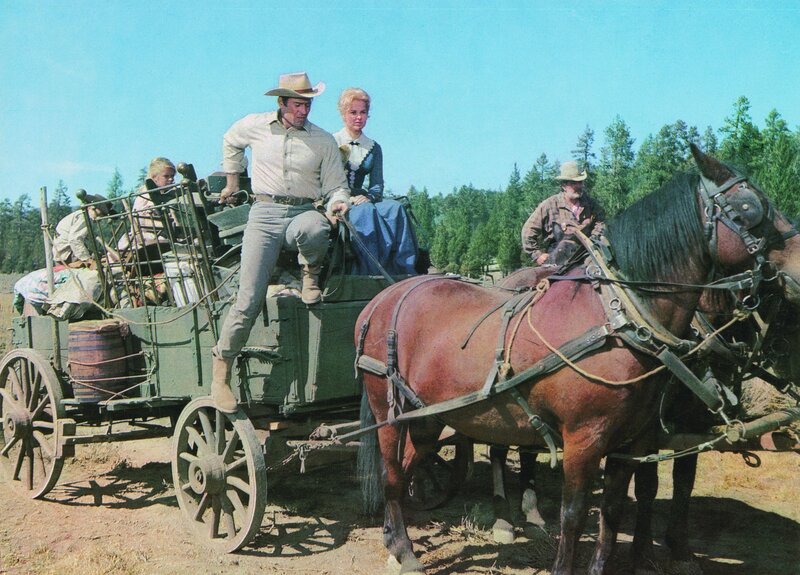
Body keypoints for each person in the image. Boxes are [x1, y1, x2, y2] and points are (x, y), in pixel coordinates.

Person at [211, 72, 350, 412]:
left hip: (303, 211)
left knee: (316, 228)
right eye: (297, 104)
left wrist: (338, 202)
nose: (303, 110)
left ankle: (309, 275)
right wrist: (233, 180)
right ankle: (221, 371)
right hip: (264, 214)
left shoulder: (323, 140)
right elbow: (230, 140)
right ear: (282, 102)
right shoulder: (255, 125)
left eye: (308, 105)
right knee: (248, 298)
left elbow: (336, 185)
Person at [333, 88, 417, 275]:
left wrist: (369, 197)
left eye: (363, 112)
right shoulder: (332, 142)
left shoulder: (373, 147)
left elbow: (377, 184)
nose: (358, 117)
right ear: (343, 114)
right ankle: (371, 272)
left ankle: (405, 270)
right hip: (338, 198)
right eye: (353, 112)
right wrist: (347, 198)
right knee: (366, 212)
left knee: (396, 208)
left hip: (363, 198)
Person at [521, 160, 605, 265]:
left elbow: (601, 224)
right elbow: (528, 231)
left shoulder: (591, 204)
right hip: (558, 257)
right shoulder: (550, 205)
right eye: (573, 183)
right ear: (564, 186)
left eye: (580, 182)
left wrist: (593, 241)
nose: (578, 186)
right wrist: (537, 255)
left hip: (587, 254)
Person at [119, 157, 176, 251]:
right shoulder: (146, 196)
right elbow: (142, 222)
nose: (171, 179)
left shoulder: (163, 195)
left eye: (172, 176)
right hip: (145, 236)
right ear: (154, 177)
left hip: (161, 233)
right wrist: (168, 226)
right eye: (166, 176)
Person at [52, 190, 113, 267]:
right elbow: (75, 240)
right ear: (92, 207)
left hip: (65, 252)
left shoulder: (82, 215)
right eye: (100, 213)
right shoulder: (84, 217)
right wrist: (88, 259)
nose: (101, 217)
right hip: (66, 254)